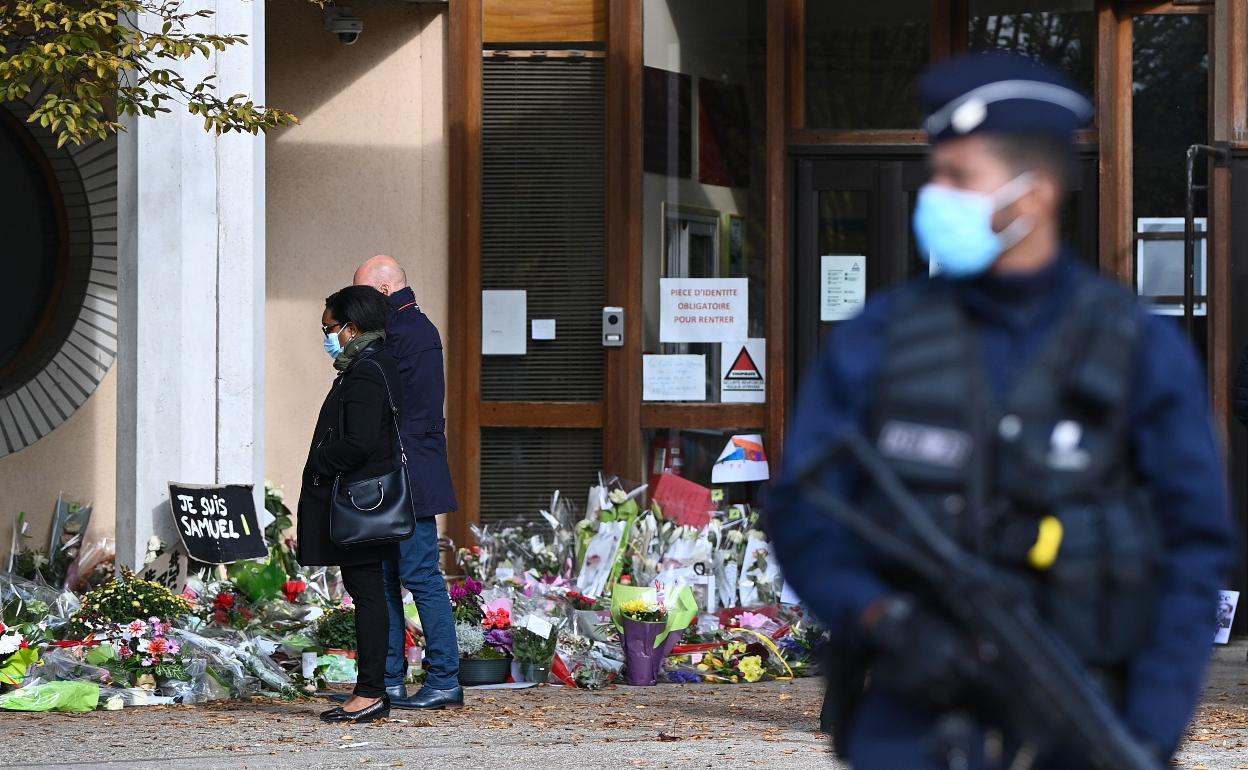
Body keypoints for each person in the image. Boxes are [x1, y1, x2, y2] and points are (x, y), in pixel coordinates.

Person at [768, 52, 1234, 769]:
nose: (937, 195)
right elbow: (804, 509)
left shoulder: (1138, 348)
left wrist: (1150, 726)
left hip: (1086, 723)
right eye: (938, 175)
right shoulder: (880, 339)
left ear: (1036, 191)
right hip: (912, 727)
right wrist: (875, 612)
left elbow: (1193, 547)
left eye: (961, 178)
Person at [351, 254, 462, 710]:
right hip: (405, 471)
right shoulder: (412, 328)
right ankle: (389, 679)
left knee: (418, 576)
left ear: (381, 292)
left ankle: (443, 679)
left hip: (406, 475)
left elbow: (389, 406)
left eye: (360, 298)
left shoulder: (402, 334)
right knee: (388, 577)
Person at [297, 285, 403, 724]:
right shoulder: (372, 365)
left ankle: (370, 692)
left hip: (359, 503)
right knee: (370, 592)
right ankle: (372, 689)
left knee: (368, 595)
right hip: (364, 501)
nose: (326, 337)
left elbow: (358, 442)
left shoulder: (365, 371)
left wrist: (319, 460)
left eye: (329, 328)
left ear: (352, 328)